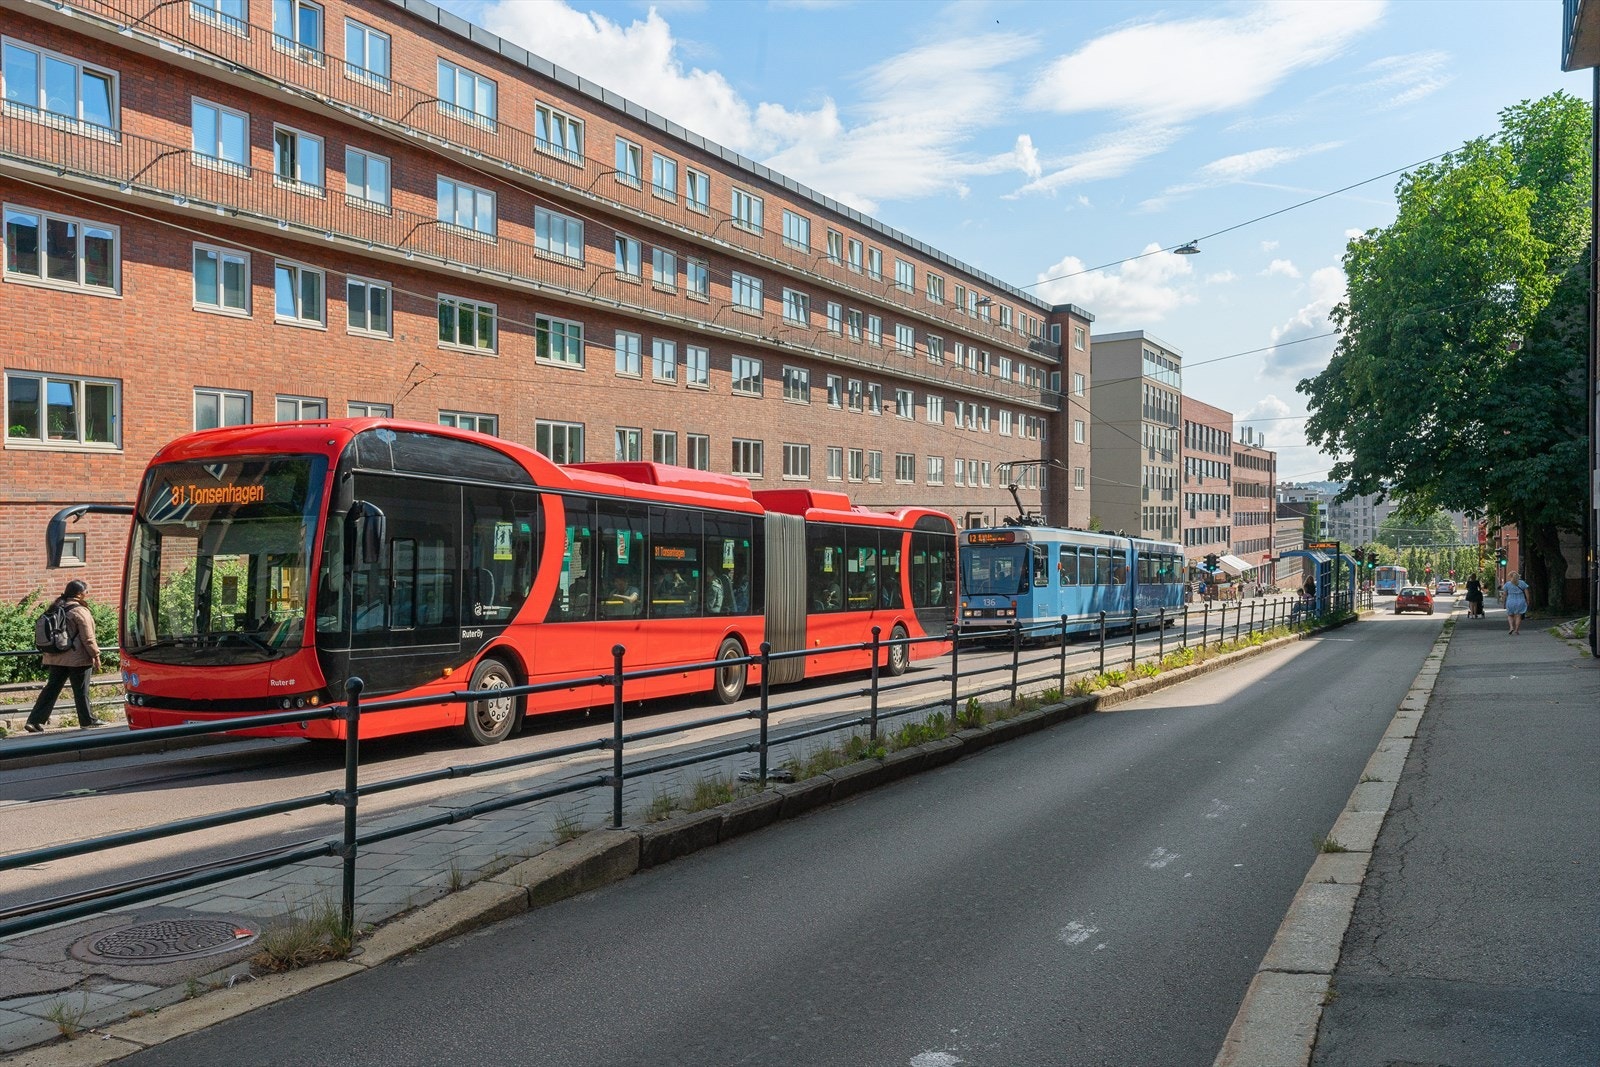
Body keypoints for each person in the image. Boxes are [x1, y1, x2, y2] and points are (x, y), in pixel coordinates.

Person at [24, 580, 105, 732]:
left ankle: (34, 720)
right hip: (77, 659)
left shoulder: (56, 607)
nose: (87, 594)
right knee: (81, 691)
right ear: (80, 594)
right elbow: (88, 638)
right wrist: (96, 655)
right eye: (86, 592)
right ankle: (87, 720)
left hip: (55, 657)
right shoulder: (80, 611)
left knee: (51, 689)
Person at [1502, 570, 1530, 635]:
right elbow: (1527, 593)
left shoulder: (1507, 584)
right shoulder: (1522, 583)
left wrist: (1504, 603)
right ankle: (1516, 629)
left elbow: (1504, 594)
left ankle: (1511, 627)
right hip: (1520, 600)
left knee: (1510, 615)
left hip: (1510, 601)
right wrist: (1528, 600)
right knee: (1518, 616)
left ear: (1510, 577)